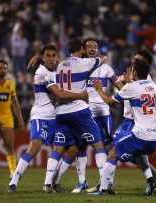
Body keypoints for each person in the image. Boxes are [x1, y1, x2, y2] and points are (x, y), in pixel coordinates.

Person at [5, 45, 87, 193]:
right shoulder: (41, 73)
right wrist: (81, 95)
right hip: (41, 116)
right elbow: (59, 94)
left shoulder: (57, 68)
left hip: (57, 117)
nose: (51, 59)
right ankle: (13, 182)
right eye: (47, 56)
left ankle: (51, 183)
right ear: (43, 58)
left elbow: (65, 65)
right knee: (35, 146)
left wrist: (40, 56)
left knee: (72, 149)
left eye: (53, 56)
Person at [51, 38, 123, 194]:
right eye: (89, 46)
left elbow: (120, 86)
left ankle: (107, 182)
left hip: (102, 112)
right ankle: (82, 182)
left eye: (95, 46)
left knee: (107, 146)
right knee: (79, 147)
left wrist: (120, 96)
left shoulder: (104, 68)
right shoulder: (82, 65)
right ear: (83, 49)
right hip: (85, 110)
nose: (92, 48)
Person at [42, 38, 108, 192]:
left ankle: (47, 184)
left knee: (58, 148)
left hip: (61, 113)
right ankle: (106, 183)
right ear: (81, 50)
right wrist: (91, 57)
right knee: (98, 145)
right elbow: (104, 58)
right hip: (79, 111)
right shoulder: (85, 63)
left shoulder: (59, 65)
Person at [89, 59, 156, 196]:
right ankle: (151, 180)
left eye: (132, 69)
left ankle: (103, 189)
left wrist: (99, 90)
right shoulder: (152, 85)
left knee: (113, 153)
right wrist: (130, 82)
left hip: (142, 135)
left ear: (135, 72)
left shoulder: (132, 87)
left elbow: (110, 101)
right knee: (136, 152)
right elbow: (137, 91)